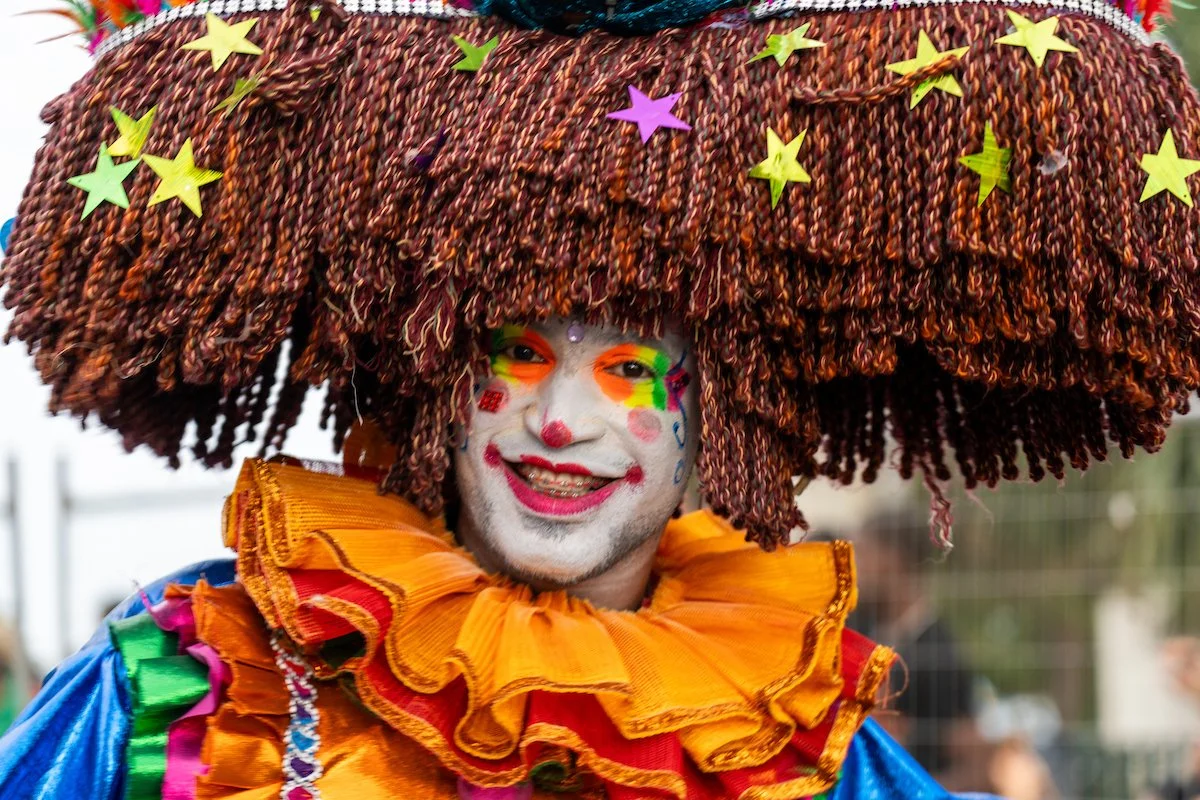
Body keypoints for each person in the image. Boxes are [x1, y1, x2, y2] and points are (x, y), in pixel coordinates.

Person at [0, 0, 1197, 797]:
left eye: (629, 370)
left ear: (712, 421)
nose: (560, 421)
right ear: (432, 383)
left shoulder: (806, 749)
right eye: (517, 355)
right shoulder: (187, 685)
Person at [852, 512, 990, 792]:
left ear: (896, 561)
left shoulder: (939, 652)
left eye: (865, 557)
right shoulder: (860, 633)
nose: (855, 570)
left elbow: (977, 766)